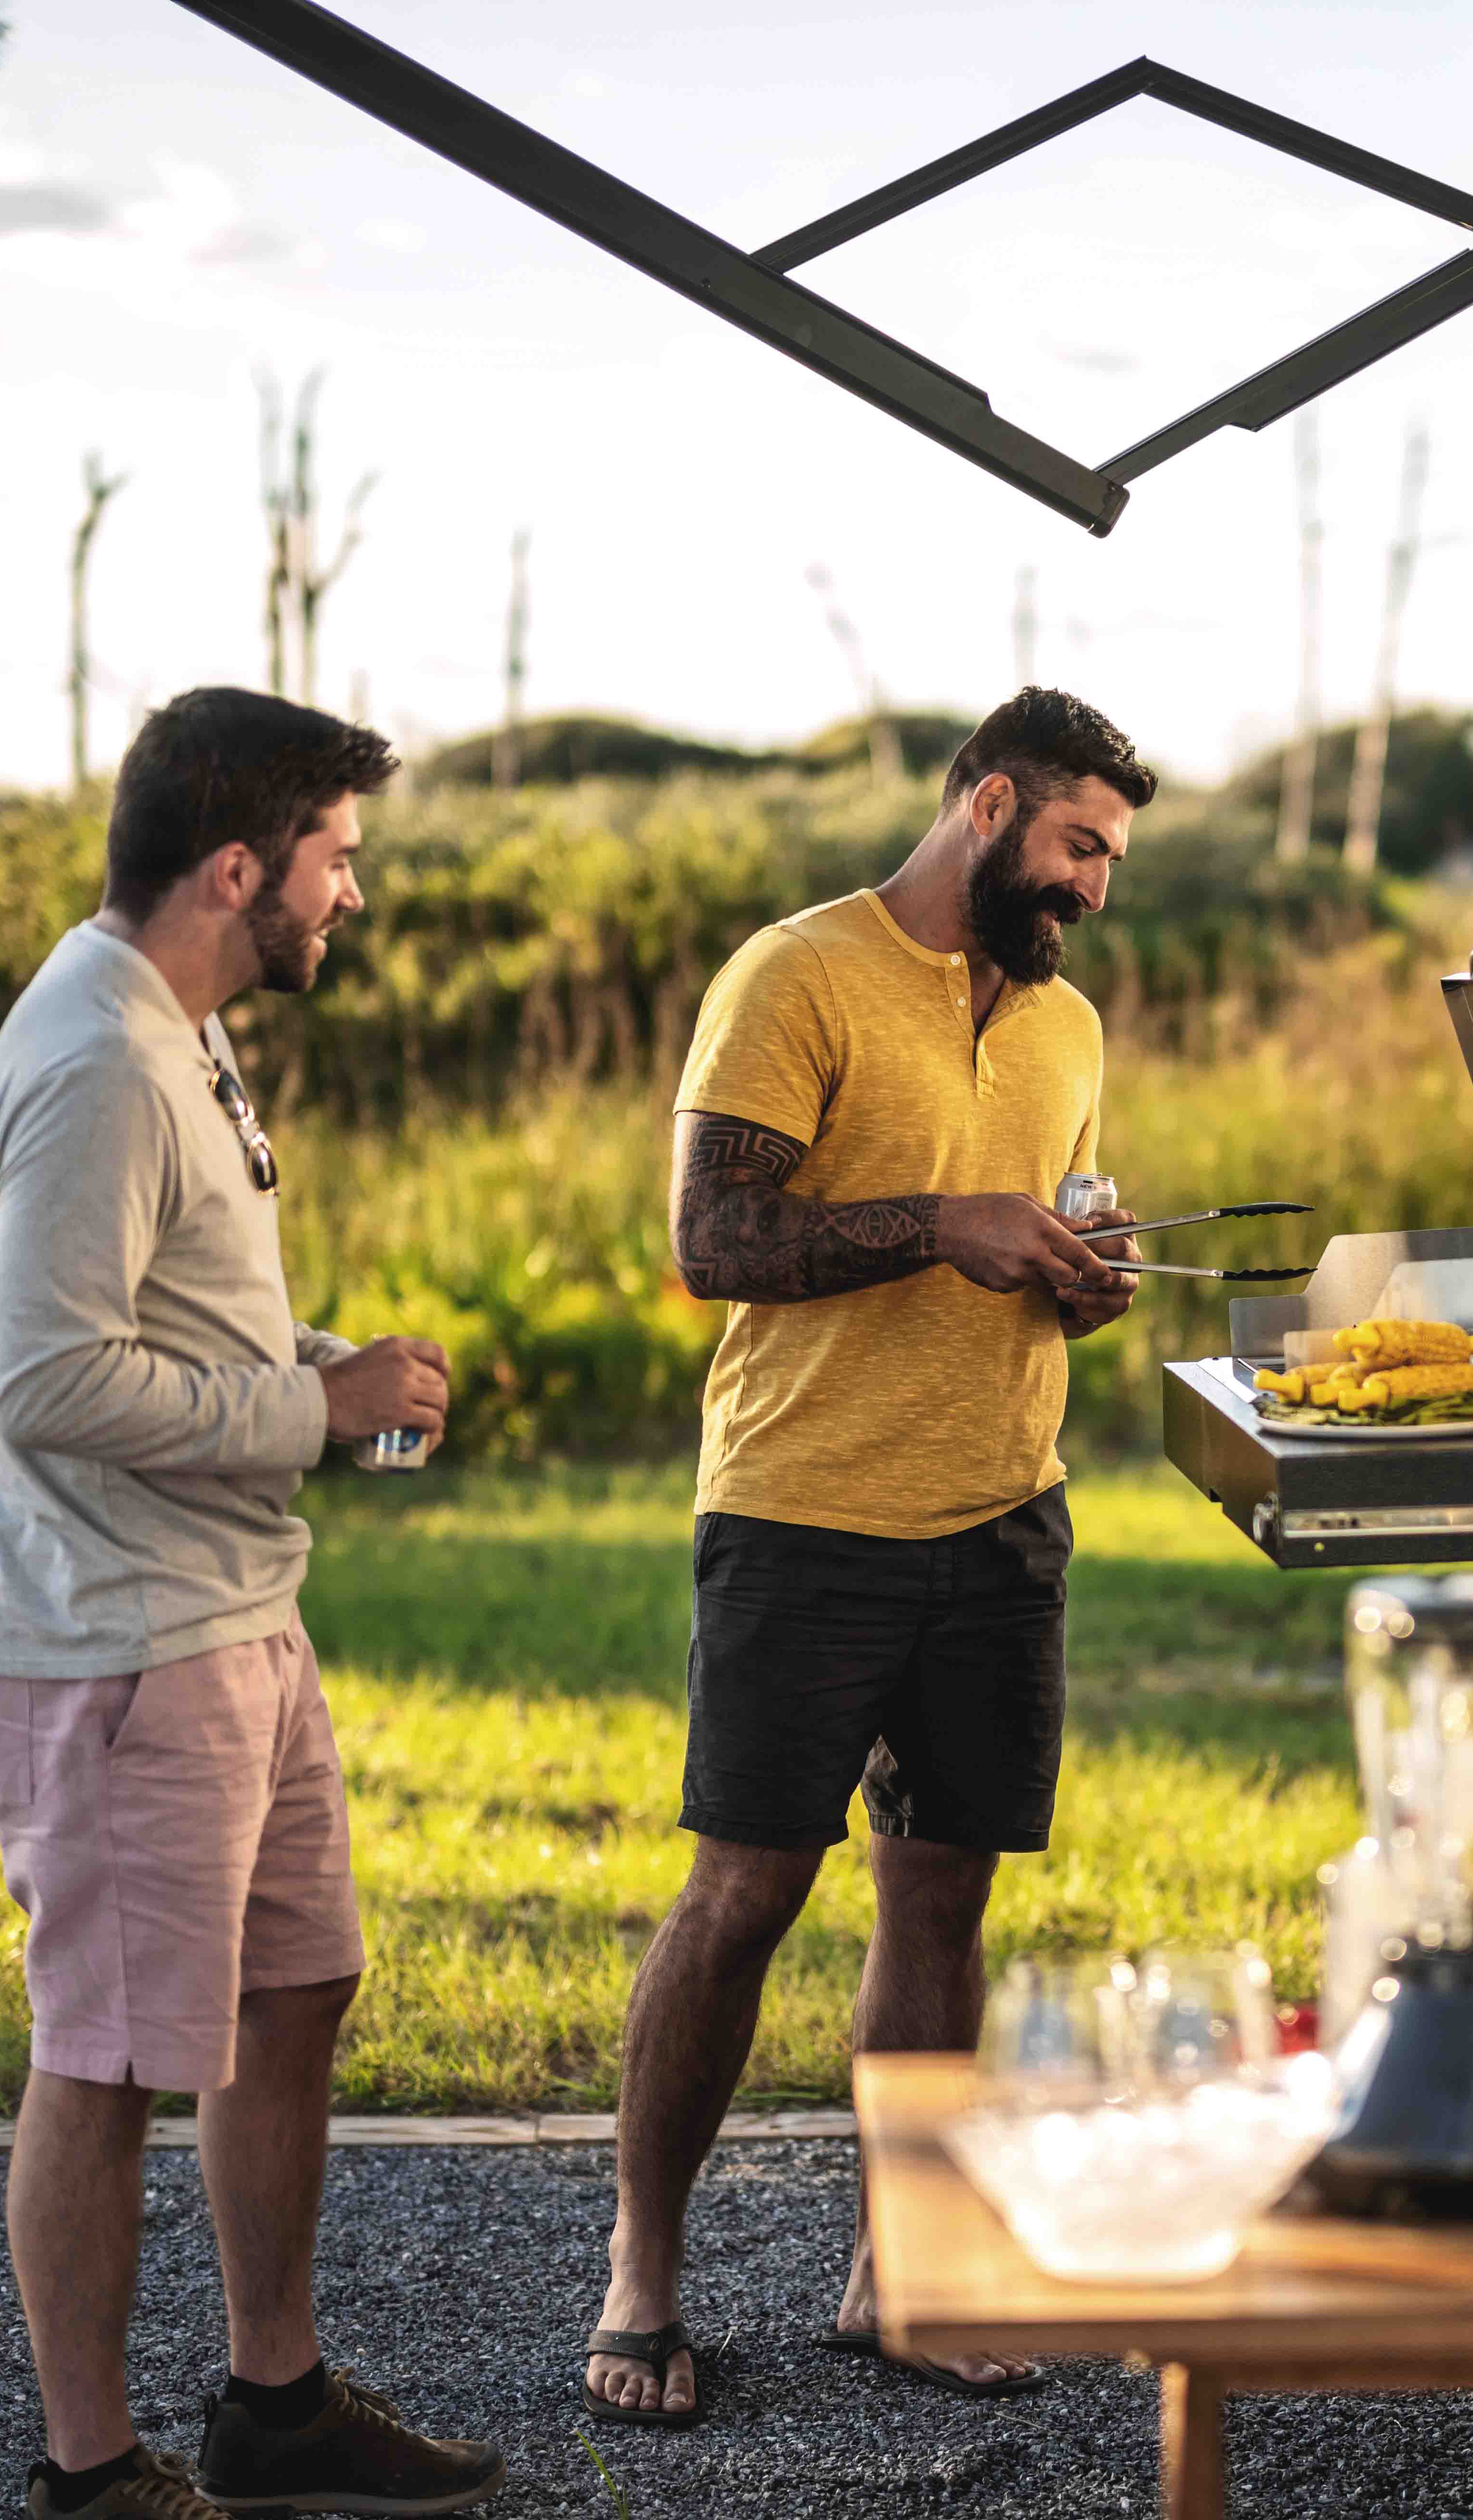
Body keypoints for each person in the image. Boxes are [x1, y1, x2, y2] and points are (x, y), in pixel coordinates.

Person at [0, 687, 500, 2520]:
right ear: (241, 868)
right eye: (339, 856)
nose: (358, 889)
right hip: (115, 1640)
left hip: (226, 1609)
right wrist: (311, 1418)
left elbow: (154, 1313)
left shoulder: (180, 1034)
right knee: (103, 2055)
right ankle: (86, 2483)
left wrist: (321, 1368)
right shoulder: (99, 1051)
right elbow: (48, 1374)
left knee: (297, 1989)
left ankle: (275, 2402)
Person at [581, 689, 1155, 2427]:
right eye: (1077, 847)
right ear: (988, 807)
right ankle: (641, 2278)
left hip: (1003, 1514)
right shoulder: (796, 976)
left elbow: (1018, 1247)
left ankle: (896, 2274)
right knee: (745, 1895)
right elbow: (713, 1240)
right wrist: (946, 1226)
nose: (1094, 891)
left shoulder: (1066, 1032)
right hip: (803, 1515)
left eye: (1114, 861)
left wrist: (1075, 1271)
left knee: (944, 1898)